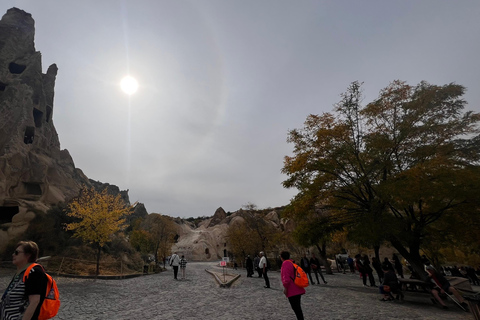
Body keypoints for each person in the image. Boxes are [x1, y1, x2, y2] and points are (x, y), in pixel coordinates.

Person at [0, 241, 48, 320]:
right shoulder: (22, 272)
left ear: (28, 255)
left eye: (17, 252)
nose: (13, 255)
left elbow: (34, 301)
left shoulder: (34, 272)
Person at [280, 251, 305, 320]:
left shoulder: (285, 264)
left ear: (282, 257)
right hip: (297, 286)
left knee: (296, 308)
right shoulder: (292, 262)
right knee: (298, 308)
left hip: (292, 289)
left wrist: (285, 288)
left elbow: (286, 278)